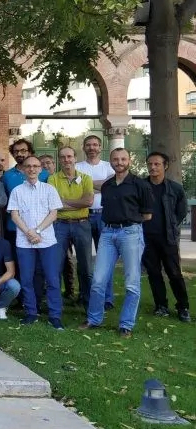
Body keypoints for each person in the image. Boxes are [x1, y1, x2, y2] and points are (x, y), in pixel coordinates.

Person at [80, 148, 154, 337]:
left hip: (130, 233)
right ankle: (94, 319)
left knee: (132, 282)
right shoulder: (107, 186)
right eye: (115, 159)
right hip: (107, 233)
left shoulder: (140, 185)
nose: (119, 162)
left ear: (129, 161)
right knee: (98, 280)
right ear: (111, 161)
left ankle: (126, 325)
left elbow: (147, 215)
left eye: (123, 159)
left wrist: (128, 222)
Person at [7, 156, 64, 329]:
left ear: (41, 169)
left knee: (52, 279)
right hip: (25, 242)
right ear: (23, 169)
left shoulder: (49, 189)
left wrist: (37, 231)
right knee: (27, 279)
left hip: (47, 241)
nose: (32, 169)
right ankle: (31, 312)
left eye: (35, 166)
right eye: (28, 166)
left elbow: (53, 214)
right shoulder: (17, 191)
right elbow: (14, 215)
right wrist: (29, 233)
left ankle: (55, 315)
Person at [141, 152, 190, 322]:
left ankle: (183, 307)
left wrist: (171, 224)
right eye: (150, 164)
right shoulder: (141, 186)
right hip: (146, 238)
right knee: (154, 273)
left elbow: (182, 210)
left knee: (174, 273)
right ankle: (161, 306)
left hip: (168, 238)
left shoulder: (175, 188)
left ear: (165, 166)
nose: (153, 167)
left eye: (157, 164)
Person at [48, 146, 94, 309]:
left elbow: (88, 202)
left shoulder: (86, 178)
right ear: (59, 160)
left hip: (82, 224)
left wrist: (64, 202)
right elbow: (53, 204)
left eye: (69, 156)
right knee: (56, 266)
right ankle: (55, 304)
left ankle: (87, 302)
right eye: (63, 157)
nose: (66, 160)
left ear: (75, 158)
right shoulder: (52, 179)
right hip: (59, 226)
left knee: (86, 266)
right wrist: (76, 203)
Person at [76, 135, 116, 310]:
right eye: (88, 145)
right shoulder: (77, 167)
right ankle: (85, 296)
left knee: (105, 258)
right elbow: (77, 190)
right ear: (84, 148)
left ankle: (107, 298)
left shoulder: (109, 166)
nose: (92, 148)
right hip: (82, 215)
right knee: (84, 260)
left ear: (100, 147)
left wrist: (87, 184)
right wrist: (99, 185)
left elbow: (110, 187)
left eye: (95, 145)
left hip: (104, 216)